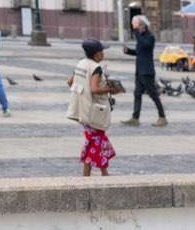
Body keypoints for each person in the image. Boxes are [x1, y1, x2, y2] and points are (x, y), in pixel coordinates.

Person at [67, 38, 117, 175]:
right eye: (102, 51)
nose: (103, 54)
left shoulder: (81, 63)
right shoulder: (96, 68)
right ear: (97, 54)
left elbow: (70, 82)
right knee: (97, 140)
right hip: (93, 111)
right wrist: (110, 89)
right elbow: (94, 89)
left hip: (82, 109)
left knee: (94, 141)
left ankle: (95, 173)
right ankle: (98, 173)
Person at [123, 13, 165, 126]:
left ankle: (162, 117)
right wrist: (129, 51)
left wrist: (136, 32)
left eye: (140, 25)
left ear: (145, 25)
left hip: (147, 72)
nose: (137, 28)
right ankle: (135, 118)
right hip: (139, 71)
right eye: (137, 26)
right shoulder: (141, 37)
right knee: (137, 94)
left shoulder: (150, 37)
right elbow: (139, 52)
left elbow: (145, 45)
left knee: (153, 95)